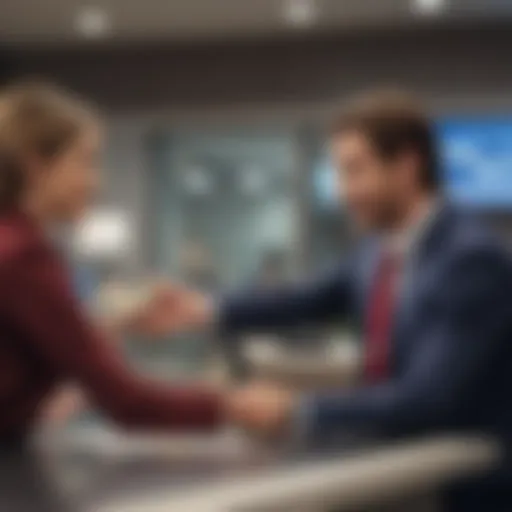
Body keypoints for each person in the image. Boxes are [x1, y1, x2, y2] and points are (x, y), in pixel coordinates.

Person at [156, 89, 512, 511]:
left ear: (407, 165)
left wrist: (299, 410)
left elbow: (430, 398)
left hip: (468, 490)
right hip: (403, 471)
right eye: (341, 173)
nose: (344, 192)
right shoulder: (374, 251)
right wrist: (204, 308)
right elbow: (305, 299)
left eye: (355, 171)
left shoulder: (471, 259)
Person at [0, 81, 225, 443]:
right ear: (35, 165)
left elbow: (54, 341)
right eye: (85, 161)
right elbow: (127, 403)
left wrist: (118, 324)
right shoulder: (24, 256)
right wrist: (230, 405)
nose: (96, 182)